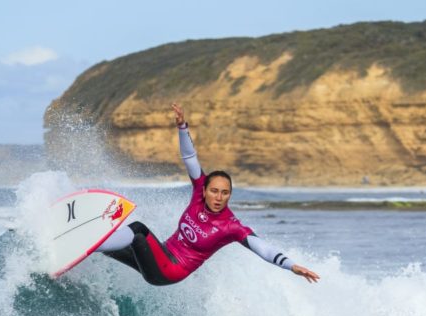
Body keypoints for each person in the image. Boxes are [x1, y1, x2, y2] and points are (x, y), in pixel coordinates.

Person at [93, 103, 320, 286]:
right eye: (214, 191)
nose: (219, 197)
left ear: (230, 195)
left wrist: (291, 265)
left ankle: (91, 242)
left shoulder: (231, 227)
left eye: (225, 193)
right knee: (109, 249)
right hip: (160, 255)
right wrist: (182, 127)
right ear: (204, 190)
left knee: (138, 230)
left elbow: (263, 248)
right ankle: (82, 251)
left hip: (169, 271)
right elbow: (190, 158)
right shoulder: (198, 194)